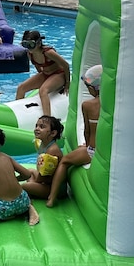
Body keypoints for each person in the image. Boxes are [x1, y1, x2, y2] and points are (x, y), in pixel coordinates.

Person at [46, 65, 102, 208]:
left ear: (94, 88)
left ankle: (52, 198)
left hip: (93, 152)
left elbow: (87, 132)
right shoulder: (112, 106)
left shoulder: (88, 105)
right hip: (106, 152)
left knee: (64, 161)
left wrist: (87, 146)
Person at [15, 29, 70, 117]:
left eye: (31, 44)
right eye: (26, 44)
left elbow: (66, 65)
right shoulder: (30, 54)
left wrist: (67, 83)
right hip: (46, 74)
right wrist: (42, 81)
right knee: (21, 87)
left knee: (43, 91)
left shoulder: (48, 53)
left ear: (38, 43)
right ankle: (18, 113)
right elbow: (39, 70)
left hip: (59, 74)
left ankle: (47, 118)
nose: (29, 47)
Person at [21, 115, 64, 200]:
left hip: (54, 189)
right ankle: (30, 189)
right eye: (36, 126)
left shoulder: (52, 150)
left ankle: (31, 191)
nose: (37, 129)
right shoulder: (43, 144)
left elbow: (44, 177)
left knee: (25, 186)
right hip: (45, 182)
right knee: (30, 171)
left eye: (41, 127)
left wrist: (34, 183)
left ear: (53, 133)